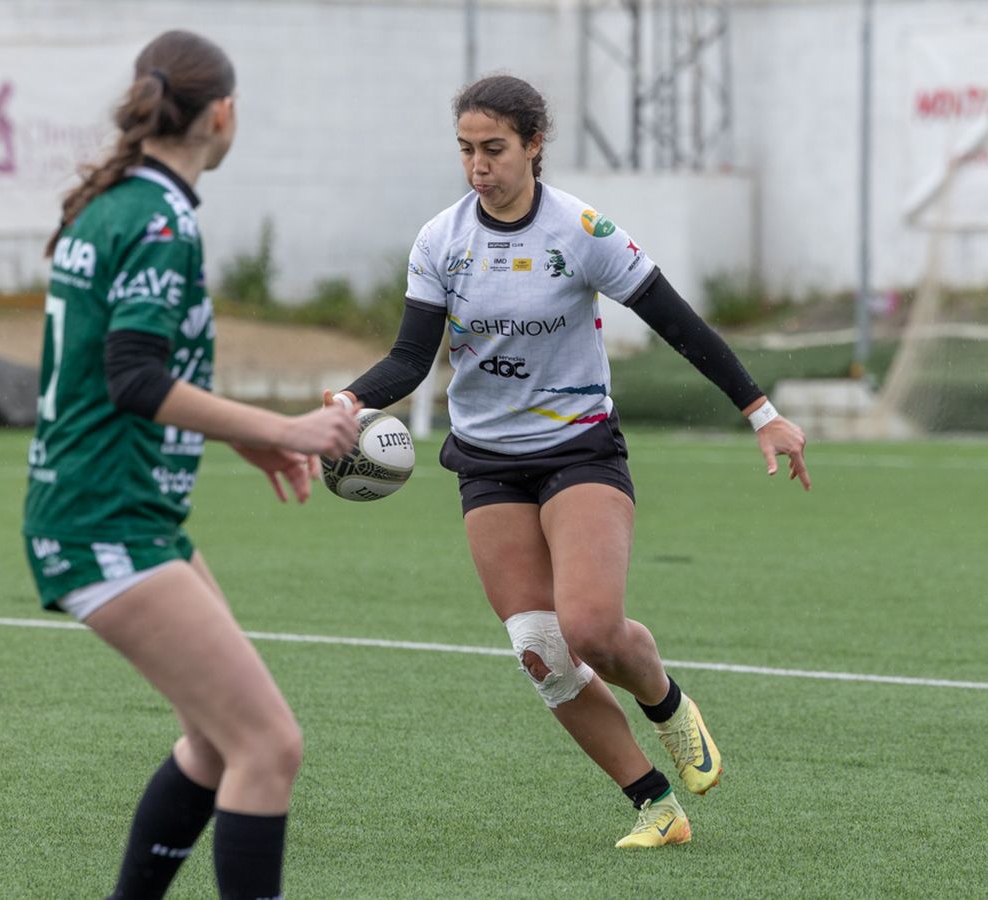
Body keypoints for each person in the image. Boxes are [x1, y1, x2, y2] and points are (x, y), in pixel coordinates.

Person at [326, 73, 809, 848]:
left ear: (534, 145)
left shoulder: (582, 230)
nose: (479, 166)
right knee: (541, 653)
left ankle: (668, 704)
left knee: (590, 627)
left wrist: (763, 413)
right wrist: (348, 402)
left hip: (578, 446)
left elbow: (677, 323)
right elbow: (411, 359)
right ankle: (654, 805)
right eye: (466, 150)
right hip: (486, 462)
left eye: (495, 149)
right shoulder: (440, 241)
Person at [22, 31, 358, 898]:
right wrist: (286, 430)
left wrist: (239, 437)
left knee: (215, 744)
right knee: (267, 746)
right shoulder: (160, 219)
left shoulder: (116, 204)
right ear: (223, 113)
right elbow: (135, 379)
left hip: (123, 514)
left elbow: (124, 374)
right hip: (106, 521)